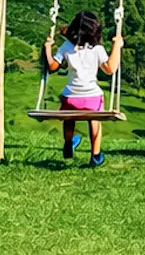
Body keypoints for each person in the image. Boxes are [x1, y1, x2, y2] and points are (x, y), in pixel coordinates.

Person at [43, 9, 123, 167]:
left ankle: (68, 143)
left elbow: (52, 66)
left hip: (70, 98)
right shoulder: (97, 49)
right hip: (92, 98)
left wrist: (47, 47)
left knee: (68, 117)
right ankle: (95, 155)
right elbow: (110, 68)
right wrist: (117, 46)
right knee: (95, 120)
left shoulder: (66, 46)